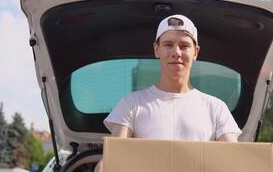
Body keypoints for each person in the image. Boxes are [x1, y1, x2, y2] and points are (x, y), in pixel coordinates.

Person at [94, 14, 241, 172]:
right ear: (156, 50)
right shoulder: (131, 104)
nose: (176, 52)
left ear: (196, 52)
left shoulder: (216, 108)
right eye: (168, 44)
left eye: (184, 46)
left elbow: (235, 163)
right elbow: (112, 159)